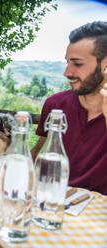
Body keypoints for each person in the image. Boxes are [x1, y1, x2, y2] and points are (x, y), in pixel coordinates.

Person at [31, 21, 107, 195]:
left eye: (77, 64)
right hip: (53, 201)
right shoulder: (55, 105)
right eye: (67, 63)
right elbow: (39, 151)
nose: (67, 73)